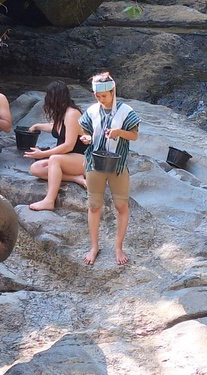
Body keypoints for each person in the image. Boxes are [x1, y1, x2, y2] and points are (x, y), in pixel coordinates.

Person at [78, 72, 141, 266]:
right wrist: (86, 138)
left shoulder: (125, 112)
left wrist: (118, 133)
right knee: (94, 205)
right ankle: (94, 246)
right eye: (97, 96)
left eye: (103, 96)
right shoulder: (92, 111)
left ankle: (118, 247)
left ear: (113, 92)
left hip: (118, 165)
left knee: (121, 205)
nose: (100, 99)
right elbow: (84, 130)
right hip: (95, 163)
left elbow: (134, 136)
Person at [24, 80, 87, 211]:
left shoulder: (72, 113)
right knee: (35, 168)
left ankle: (49, 200)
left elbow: (68, 145)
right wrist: (37, 126)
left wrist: (43, 154)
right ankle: (75, 178)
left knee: (54, 159)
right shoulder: (62, 113)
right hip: (68, 160)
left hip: (84, 160)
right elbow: (56, 128)